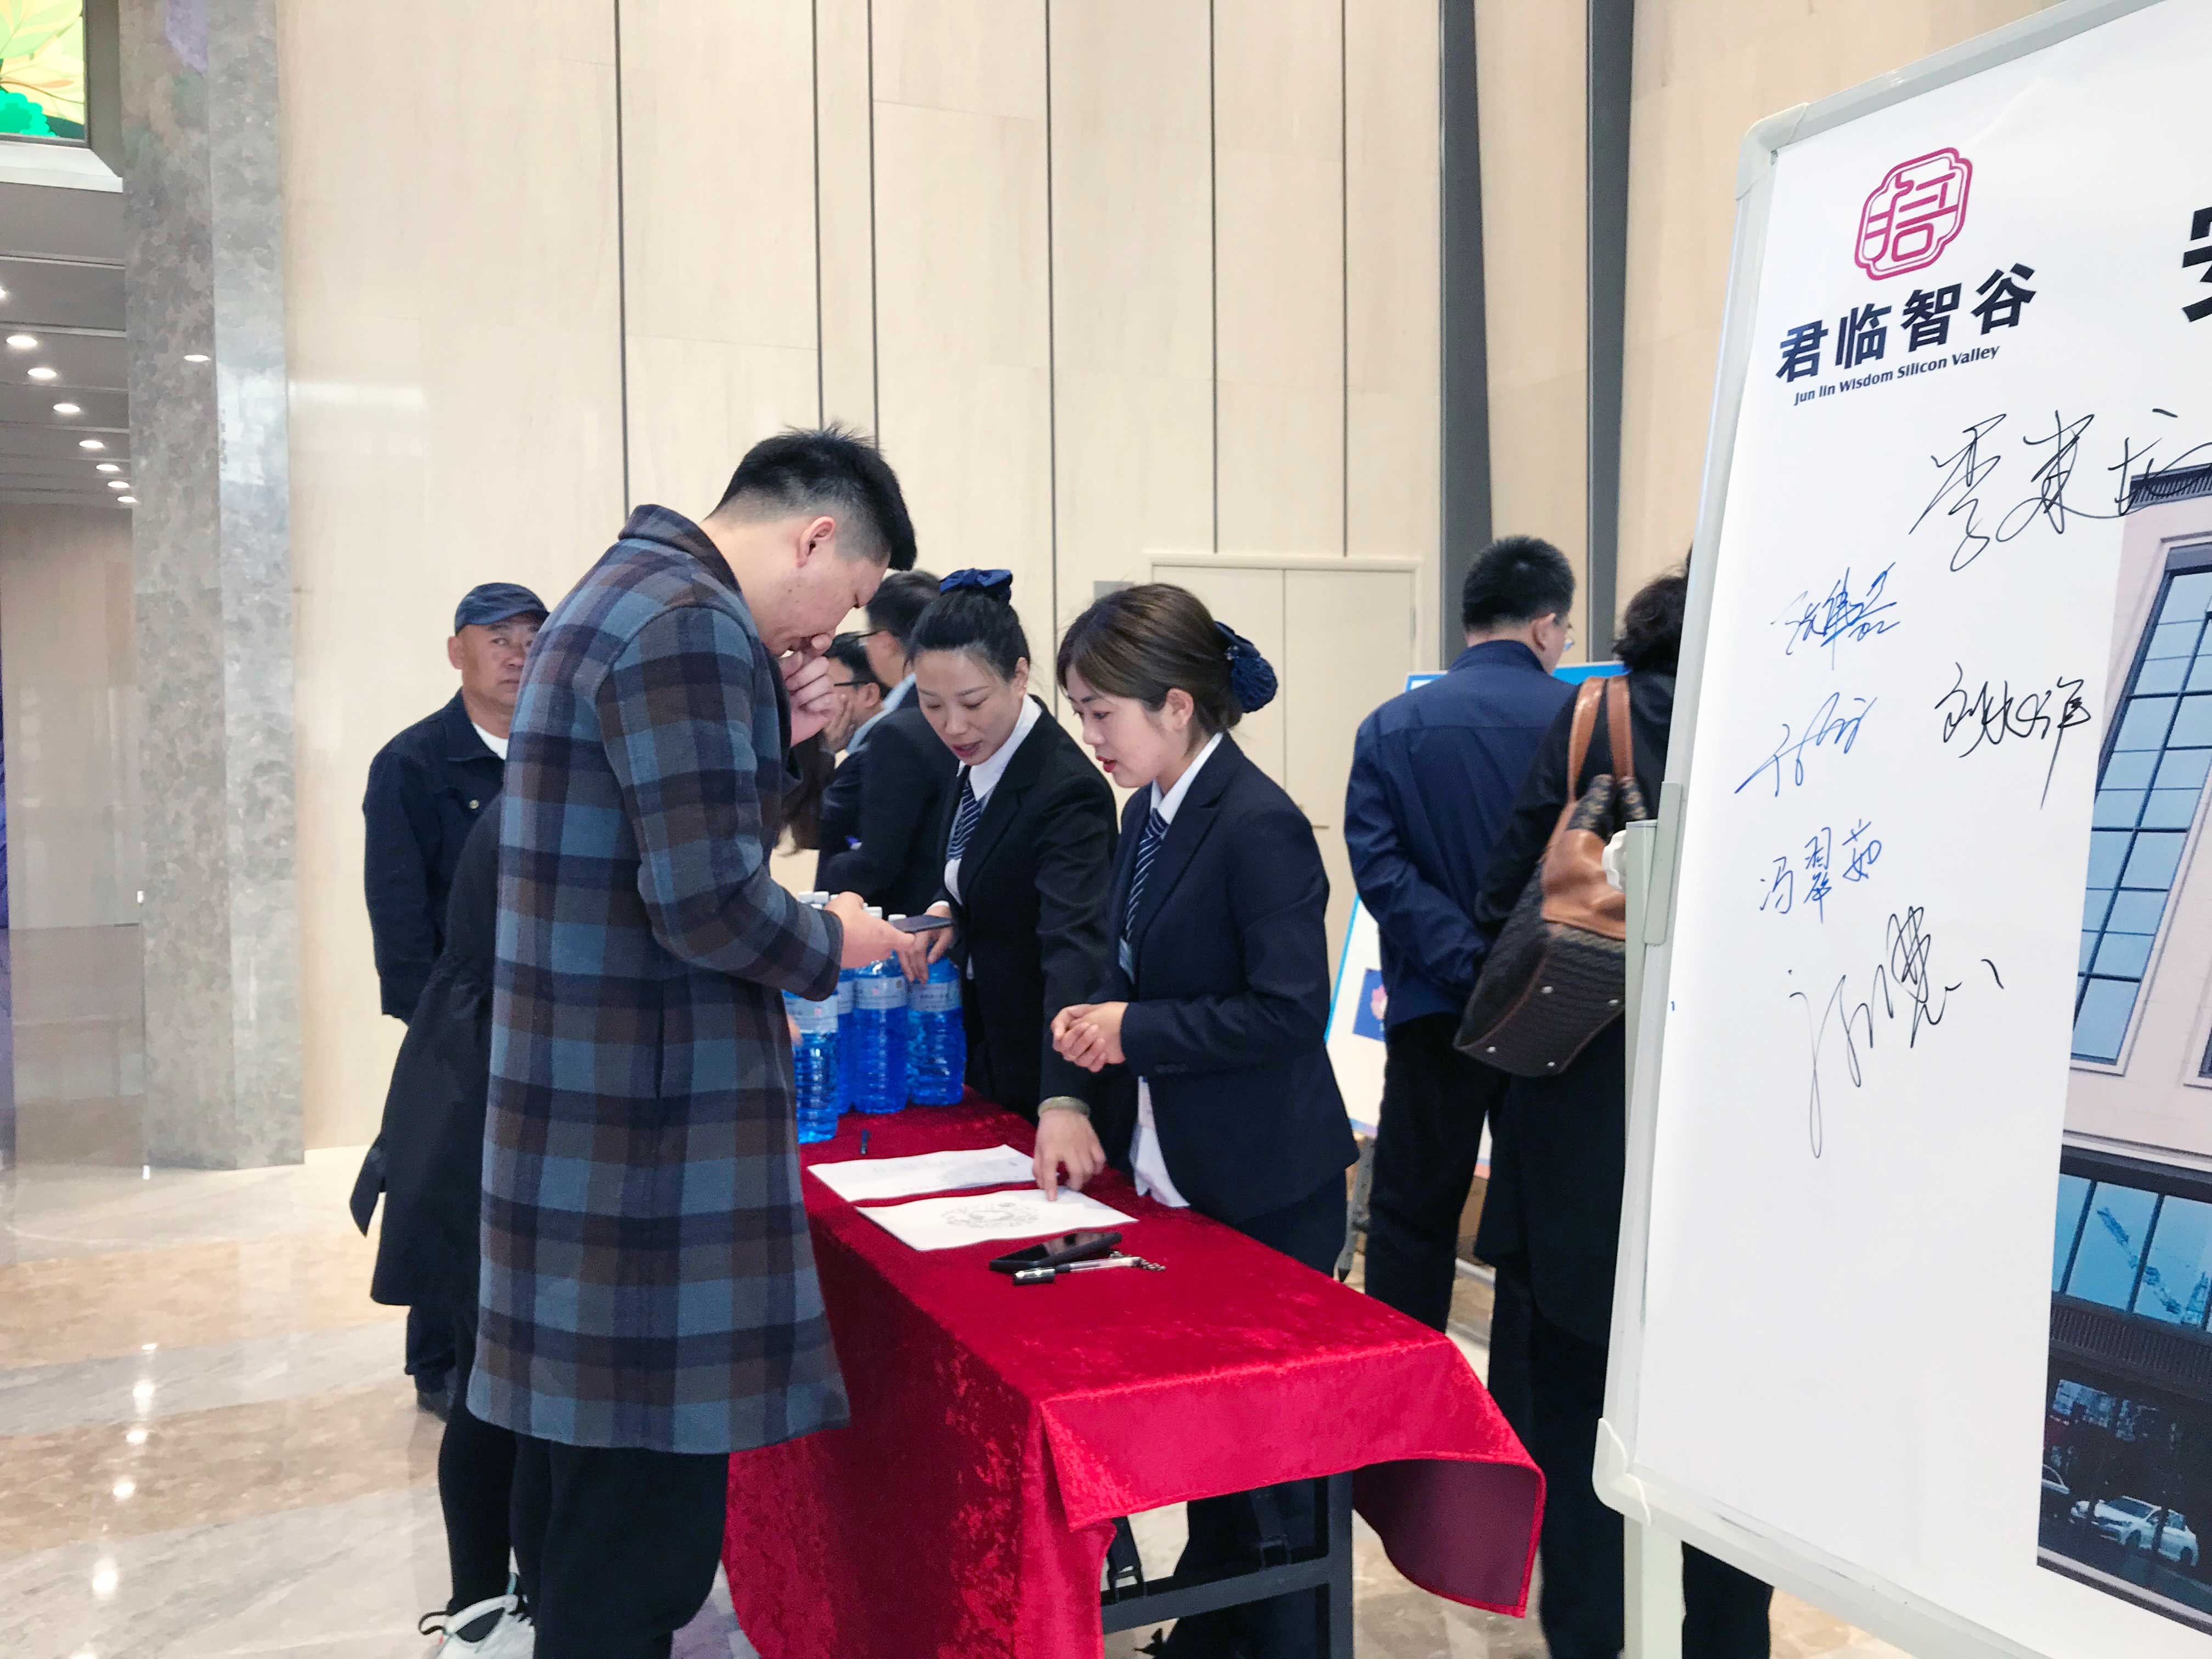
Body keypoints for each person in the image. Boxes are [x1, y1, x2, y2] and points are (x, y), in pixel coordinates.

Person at [475, 427, 925, 1659]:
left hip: (591, 1125)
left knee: (583, 1518)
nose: (832, 629)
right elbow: (711, 904)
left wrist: (779, 742)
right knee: (637, 1553)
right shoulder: (692, 622)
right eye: (848, 595)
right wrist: (841, 937)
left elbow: (660, 845)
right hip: (647, 1151)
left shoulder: (626, 589)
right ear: (815, 537)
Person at [1042, 583, 1358, 1659]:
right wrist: (1098, 1028)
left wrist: (1137, 1029)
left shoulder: (1258, 824)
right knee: (1219, 1454)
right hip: (1187, 1177)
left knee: (1277, 1473)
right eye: (1080, 713)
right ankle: (1220, 1636)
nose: (1092, 736)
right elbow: (1131, 962)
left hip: (1269, 1185)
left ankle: (1281, 1641)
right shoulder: (1149, 812)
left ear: (1175, 705)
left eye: (1102, 713)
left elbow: (1289, 1011)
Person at [1471, 567, 1774, 1659]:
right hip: (1737, 1141)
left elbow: (1499, 898)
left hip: (1581, 1123)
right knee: (1731, 1445)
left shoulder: (1589, 718)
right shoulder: (1783, 722)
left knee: (1579, 1414)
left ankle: (1591, 1638)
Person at [1345, 535, 1575, 1435]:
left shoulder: (1390, 727)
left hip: (1433, 1012)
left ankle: (1403, 1424)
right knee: (1532, 1226)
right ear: (1547, 626)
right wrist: (1514, 967)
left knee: (1411, 1217)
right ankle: (1520, 1428)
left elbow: (1379, 868)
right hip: (1554, 1023)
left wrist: (1461, 960)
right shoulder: (1582, 723)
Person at [362, 580, 548, 1419]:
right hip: (459, 1016)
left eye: (531, 639)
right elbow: (397, 908)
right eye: (497, 639)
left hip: (550, 1016)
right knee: (444, 1178)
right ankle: (437, 1360)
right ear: (456, 652)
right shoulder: (414, 762)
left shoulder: (559, 751)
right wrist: (432, 1022)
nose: (517, 655)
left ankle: (512, 1348)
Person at [357, 804, 534, 1657]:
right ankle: (486, 1613)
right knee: (497, 1389)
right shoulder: (546, 800)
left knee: (492, 1385)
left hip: (475, 1085)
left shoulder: (532, 789)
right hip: (488, 1102)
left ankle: (487, 1608)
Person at [906, 569, 1121, 1122]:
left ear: (1019, 677)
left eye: (972, 702)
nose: (954, 726)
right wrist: (946, 907)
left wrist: (1065, 1099)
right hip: (985, 1055)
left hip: (1040, 1064)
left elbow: (1076, 951)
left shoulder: (1064, 789)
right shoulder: (979, 757)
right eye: (931, 705)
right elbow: (987, 870)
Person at [815, 568, 958, 915]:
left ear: (884, 641)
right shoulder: (950, 708)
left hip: (906, 914)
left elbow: (876, 858)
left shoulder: (899, 729)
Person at [813, 631, 885, 865]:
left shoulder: (870, 758)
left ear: (869, 695)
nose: (813, 700)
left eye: (825, 688)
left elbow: (810, 830)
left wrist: (822, 756)